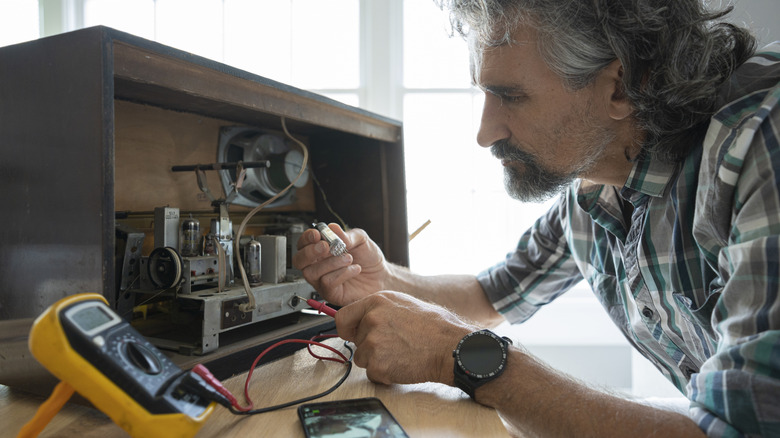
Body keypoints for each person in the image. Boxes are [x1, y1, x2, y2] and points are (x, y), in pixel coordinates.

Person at [293, 1, 780, 436]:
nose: (485, 133)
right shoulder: (596, 180)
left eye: (511, 96)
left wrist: (462, 355)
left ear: (625, 86)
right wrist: (382, 279)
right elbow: (494, 293)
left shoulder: (762, 140)